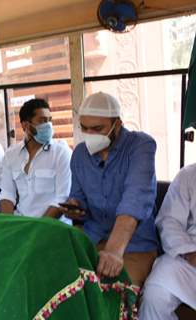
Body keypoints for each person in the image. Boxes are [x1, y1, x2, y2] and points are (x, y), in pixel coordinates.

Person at [61, 92, 159, 286]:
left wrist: (114, 251)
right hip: (94, 241)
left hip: (135, 245)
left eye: (97, 128)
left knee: (116, 293)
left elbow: (135, 200)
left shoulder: (140, 146)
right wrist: (75, 208)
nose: (90, 134)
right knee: (62, 284)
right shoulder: (80, 154)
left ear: (117, 124)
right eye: (84, 128)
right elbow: (79, 204)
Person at [139, 163, 196, 320]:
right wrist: (190, 252)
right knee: (156, 293)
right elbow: (169, 220)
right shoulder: (188, 175)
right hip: (189, 259)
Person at [0, 98, 72, 220]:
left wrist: (38, 229)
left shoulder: (62, 153)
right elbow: (7, 194)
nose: (48, 125)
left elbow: (62, 197)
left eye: (50, 120)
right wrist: (7, 225)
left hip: (53, 226)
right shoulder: (11, 155)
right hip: (22, 224)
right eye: (42, 121)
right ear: (25, 125)